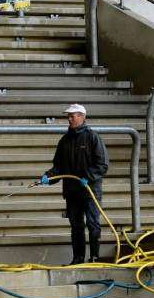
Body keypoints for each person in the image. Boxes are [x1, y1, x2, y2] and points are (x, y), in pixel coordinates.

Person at [41, 104, 110, 265]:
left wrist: (88, 177)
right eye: (69, 116)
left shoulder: (92, 137)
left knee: (93, 224)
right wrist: (48, 177)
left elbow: (102, 164)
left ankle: (94, 258)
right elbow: (59, 167)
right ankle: (78, 259)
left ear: (82, 117)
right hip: (72, 191)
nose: (70, 119)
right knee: (76, 226)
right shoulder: (64, 141)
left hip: (89, 190)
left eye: (73, 116)